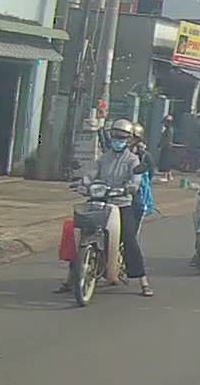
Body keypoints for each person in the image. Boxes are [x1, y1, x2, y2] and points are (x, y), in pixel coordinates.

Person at [57, 118, 155, 296]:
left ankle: (143, 281)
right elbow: (91, 174)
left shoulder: (133, 160)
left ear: (129, 139)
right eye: (115, 136)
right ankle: (71, 277)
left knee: (129, 239)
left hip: (121, 204)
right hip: (99, 200)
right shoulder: (103, 158)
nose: (118, 140)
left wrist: (130, 187)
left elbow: (136, 179)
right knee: (78, 233)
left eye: (122, 137)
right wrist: (84, 183)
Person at [159, 115, 175, 182]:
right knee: (167, 161)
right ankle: (169, 175)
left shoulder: (169, 130)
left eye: (165, 122)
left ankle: (165, 176)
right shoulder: (169, 129)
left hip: (166, 147)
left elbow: (167, 140)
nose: (164, 124)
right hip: (168, 147)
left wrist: (161, 145)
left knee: (165, 162)